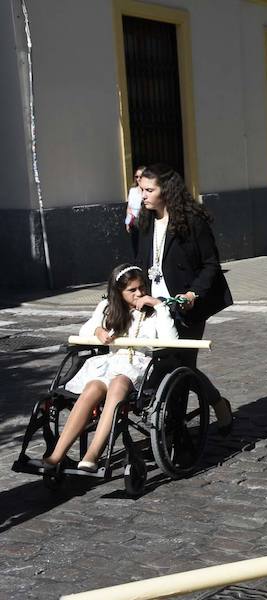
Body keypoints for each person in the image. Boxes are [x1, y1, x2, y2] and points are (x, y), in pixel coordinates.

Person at [42, 264, 178, 472]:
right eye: (132, 290)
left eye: (142, 288)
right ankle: (57, 454)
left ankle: (93, 454)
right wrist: (98, 330)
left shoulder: (155, 312)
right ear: (119, 293)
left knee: (118, 384)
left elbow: (171, 340)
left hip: (141, 365)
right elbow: (86, 330)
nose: (139, 293)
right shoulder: (108, 308)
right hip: (113, 361)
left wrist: (157, 304)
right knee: (92, 388)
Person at [136, 164, 234, 432]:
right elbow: (140, 263)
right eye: (141, 189)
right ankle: (215, 402)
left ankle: (175, 428)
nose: (142, 195)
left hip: (186, 307)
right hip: (155, 308)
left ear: (165, 191)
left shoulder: (192, 221)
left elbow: (211, 265)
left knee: (182, 366)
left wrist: (192, 293)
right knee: (166, 363)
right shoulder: (145, 222)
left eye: (148, 190)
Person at [125, 166, 146, 257]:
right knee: (136, 247)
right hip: (135, 222)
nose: (138, 179)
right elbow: (129, 207)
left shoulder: (148, 191)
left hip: (146, 221)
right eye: (136, 177)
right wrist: (127, 222)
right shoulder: (132, 191)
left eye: (141, 177)